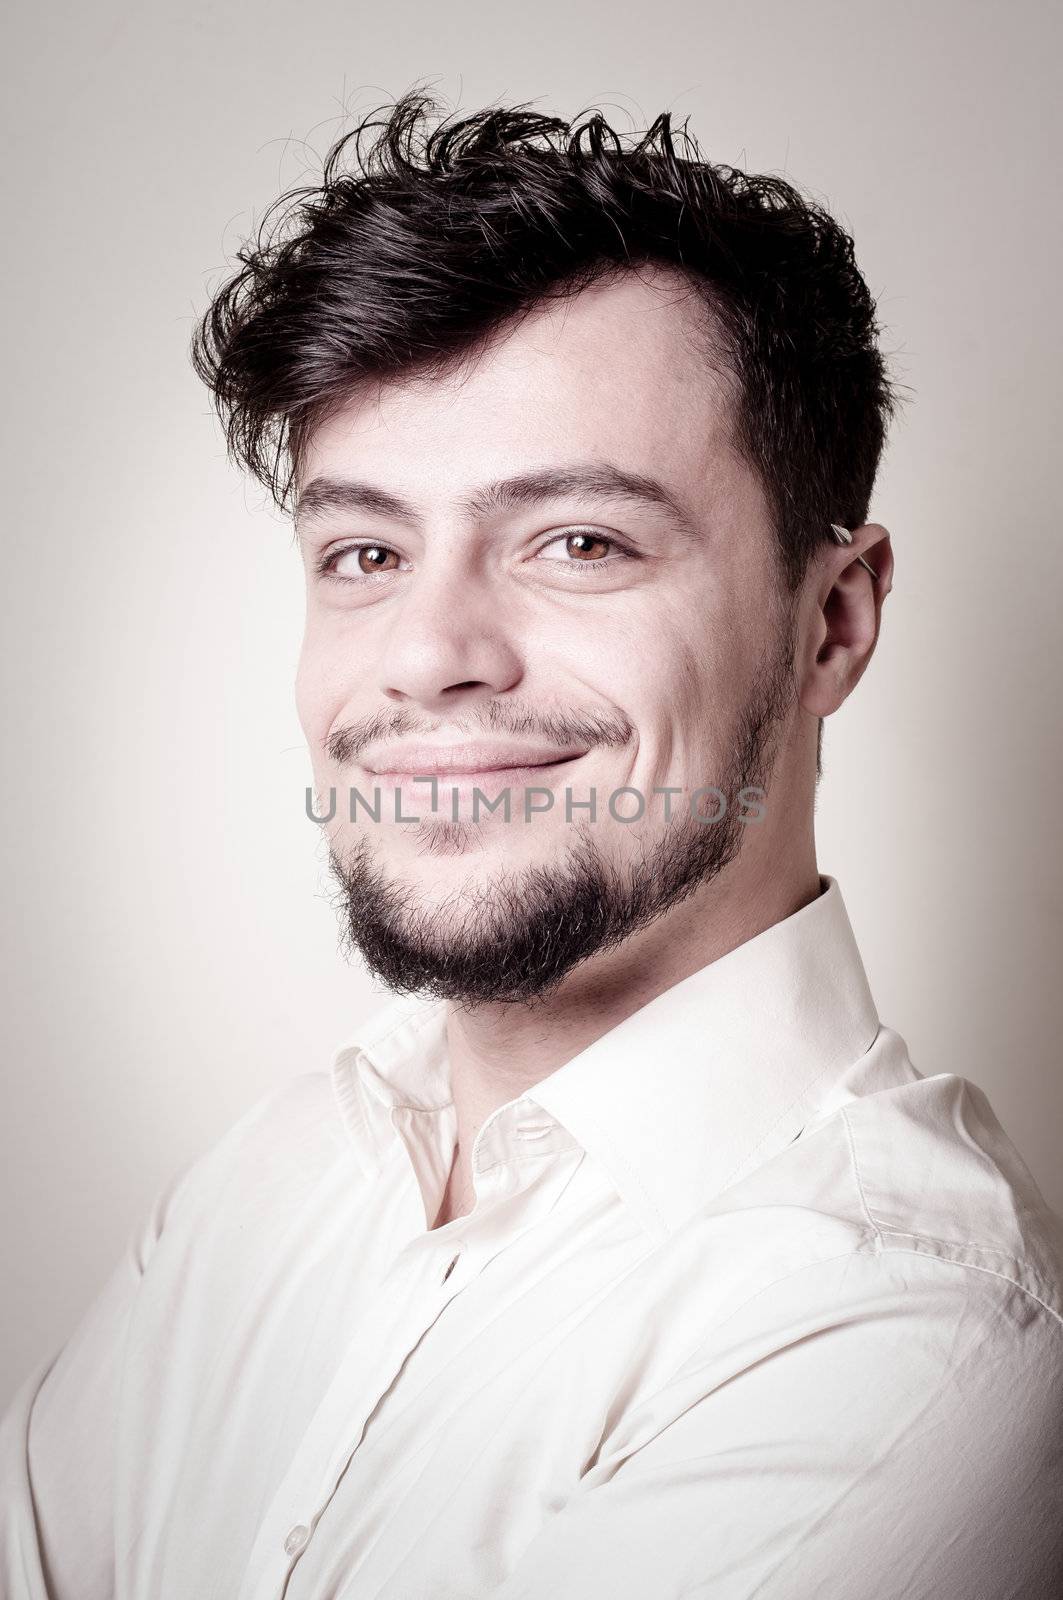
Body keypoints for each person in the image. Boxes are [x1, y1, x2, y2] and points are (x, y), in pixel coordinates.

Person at [2, 90, 1061, 1600]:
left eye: (580, 541)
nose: (426, 655)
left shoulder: (921, 1331)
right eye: (365, 553)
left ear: (833, 621)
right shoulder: (292, 1163)